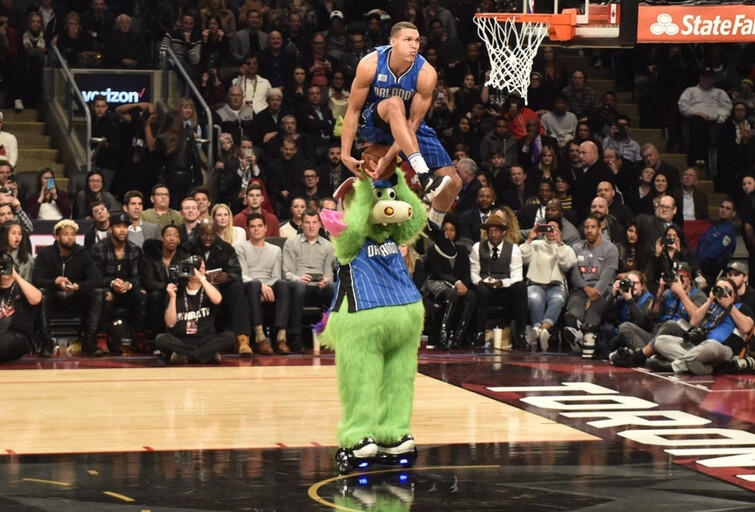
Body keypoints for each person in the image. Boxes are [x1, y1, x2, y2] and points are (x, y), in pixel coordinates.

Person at [340, 21, 462, 256]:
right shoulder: (370, 64)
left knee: (453, 182)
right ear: (392, 42)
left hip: (407, 126)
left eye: (417, 40)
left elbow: (413, 123)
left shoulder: (426, 73)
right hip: (373, 122)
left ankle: (434, 225)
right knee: (394, 103)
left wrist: (389, 157)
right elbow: (353, 111)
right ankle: (423, 174)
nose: (414, 45)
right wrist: (345, 153)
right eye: (408, 40)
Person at [649, 278, 753, 375]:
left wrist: (729, 305)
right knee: (660, 341)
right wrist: (710, 300)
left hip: (721, 350)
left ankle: (675, 365)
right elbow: (694, 322)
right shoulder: (711, 306)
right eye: (719, 289)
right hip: (698, 347)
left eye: (727, 290)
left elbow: (747, 327)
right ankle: (702, 365)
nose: (723, 293)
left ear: (734, 295)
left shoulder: (740, 307)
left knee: (711, 345)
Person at [32, 220, 105, 356]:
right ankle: (46, 342)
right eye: (66, 234)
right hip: (53, 299)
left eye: (73, 234)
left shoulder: (83, 254)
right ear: (57, 236)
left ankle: (89, 341)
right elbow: (36, 280)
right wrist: (54, 282)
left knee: (98, 293)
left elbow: (96, 279)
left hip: (76, 299)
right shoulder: (45, 253)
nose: (70, 237)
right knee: (40, 293)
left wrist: (79, 286)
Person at [186, 220, 251, 355]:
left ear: (216, 233)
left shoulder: (226, 248)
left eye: (211, 235)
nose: (208, 238)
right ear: (198, 233)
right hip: (196, 286)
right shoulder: (189, 247)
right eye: (204, 234)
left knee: (237, 288)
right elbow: (183, 270)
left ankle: (242, 339)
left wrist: (227, 277)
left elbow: (236, 272)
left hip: (221, 287)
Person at [155, 257, 234, 364]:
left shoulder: (209, 289)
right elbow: (170, 323)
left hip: (206, 340)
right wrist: (172, 297)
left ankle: (185, 356)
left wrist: (202, 279)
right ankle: (206, 355)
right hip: (181, 340)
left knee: (230, 336)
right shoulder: (176, 290)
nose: (199, 270)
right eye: (195, 267)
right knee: (161, 339)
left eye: (202, 268)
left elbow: (217, 300)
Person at [235, 212, 292, 355]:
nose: (256, 229)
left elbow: (276, 276)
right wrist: (261, 286)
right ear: (248, 230)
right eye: (252, 226)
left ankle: (281, 338)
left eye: (259, 226)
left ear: (265, 228)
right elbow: (243, 275)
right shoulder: (240, 248)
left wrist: (267, 288)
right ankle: (260, 337)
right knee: (254, 284)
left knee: (283, 284)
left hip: (269, 286)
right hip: (250, 286)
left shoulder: (275, 250)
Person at [562, 215, 618, 359]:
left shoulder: (611, 249)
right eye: (586, 227)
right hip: (581, 288)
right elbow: (575, 276)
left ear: (600, 229)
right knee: (573, 313)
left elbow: (606, 277)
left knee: (593, 310)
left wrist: (593, 295)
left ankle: (584, 338)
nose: (589, 230)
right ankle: (579, 335)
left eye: (593, 227)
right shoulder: (576, 248)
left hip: (603, 290)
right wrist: (587, 291)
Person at [469, 215, 528, 350]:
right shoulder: (477, 247)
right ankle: (480, 333)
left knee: (520, 287)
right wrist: (481, 281)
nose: (493, 234)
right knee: (481, 291)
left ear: (503, 232)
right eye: (490, 231)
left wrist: (502, 283)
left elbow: (517, 276)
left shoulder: (514, 249)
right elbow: (473, 273)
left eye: (496, 231)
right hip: (486, 289)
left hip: (505, 289)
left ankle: (520, 335)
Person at [90, 212, 146, 354]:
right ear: (110, 229)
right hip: (108, 288)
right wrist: (112, 283)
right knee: (104, 295)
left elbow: (138, 276)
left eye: (125, 227)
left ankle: (139, 336)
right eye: (118, 227)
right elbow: (96, 278)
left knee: (141, 294)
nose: (122, 230)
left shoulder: (134, 250)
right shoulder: (98, 248)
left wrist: (129, 285)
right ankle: (101, 338)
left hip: (127, 291)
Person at [520, 217, 576, 351]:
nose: (551, 231)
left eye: (554, 229)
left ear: (560, 231)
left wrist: (559, 244)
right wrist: (530, 239)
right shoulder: (535, 245)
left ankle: (541, 330)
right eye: (548, 228)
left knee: (557, 299)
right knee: (534, 298)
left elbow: (566, 265)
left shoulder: (566, 248)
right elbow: (522, 258)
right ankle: (540, 331)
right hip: (535, 284)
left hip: (556, 286)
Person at [283, 209, 336, 352]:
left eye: (314, 222)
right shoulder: (291, 243)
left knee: (333, 287)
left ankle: (333, 335)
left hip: (319, 287)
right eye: (307, 222)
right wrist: (298, 279)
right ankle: (295, 337)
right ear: (301, 224)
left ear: (320, 224)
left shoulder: (328, 246)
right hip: (299, 286)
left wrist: (326, 280)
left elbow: (329, 273)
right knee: (299, 287)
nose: (311, 226)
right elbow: (287, 272)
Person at [424, 216, 476, 348]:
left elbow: (466, 273)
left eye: (452, 230)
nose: (448, 233)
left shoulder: (462, 250)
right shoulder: (433, 250)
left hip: (458, 285)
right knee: (451, 294)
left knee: (471, 295)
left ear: (456, 232)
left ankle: (458, 338)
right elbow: (438, 273)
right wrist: (456, 282)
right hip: (438, 283)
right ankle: (443, 336)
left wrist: (463, 285)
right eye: (445, 229)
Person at [141, 224, 191, 336]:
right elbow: (148, 281)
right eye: (168, 235)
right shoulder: (151, 256)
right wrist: (166, 287)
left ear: (179, 240)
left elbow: (186, 281)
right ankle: (157, 335)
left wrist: (174, 289)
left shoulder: (185, 257)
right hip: (159, 291)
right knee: (156, 296)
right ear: (162, 238)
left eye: (175, 236)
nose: (172, 238)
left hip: (178, 291)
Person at [678, 68, 733, 169]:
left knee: (729, 125)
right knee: (697, 121)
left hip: (715, 121)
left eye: (709, 78)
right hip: (696, 119)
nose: (706, 80)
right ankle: (699, 158)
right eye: (704, 77)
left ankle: (724, 164)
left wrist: (721, 117)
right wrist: (697, 112)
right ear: (700, 78)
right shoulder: (690, 91)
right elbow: (682, 105)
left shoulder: (720, 92)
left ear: (713, 80)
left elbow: (726, 107)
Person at [156, 110, 204, 208]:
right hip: (187, 177)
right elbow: (196, 159)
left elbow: (158, 163)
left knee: (171, 206)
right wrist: (198, 179)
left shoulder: (161, 137)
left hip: (169, 177)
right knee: (186, 206)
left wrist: (161, 181)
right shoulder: (188, 135)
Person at [0, 252, 42, 363]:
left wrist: (16, 276)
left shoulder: (22, 286)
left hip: (19, 335)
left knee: (3, 343)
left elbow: (37, 298)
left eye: (6, 266)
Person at [693, 199, 737, 283]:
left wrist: (696, 264)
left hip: (711, 274)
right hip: (700, 268)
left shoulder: (728, 232)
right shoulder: (714, 227)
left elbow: (712, 255)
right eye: (722, 207)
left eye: (728, 209)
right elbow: (701, 243)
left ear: (733, 213)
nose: (723, 210)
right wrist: (691, 258)